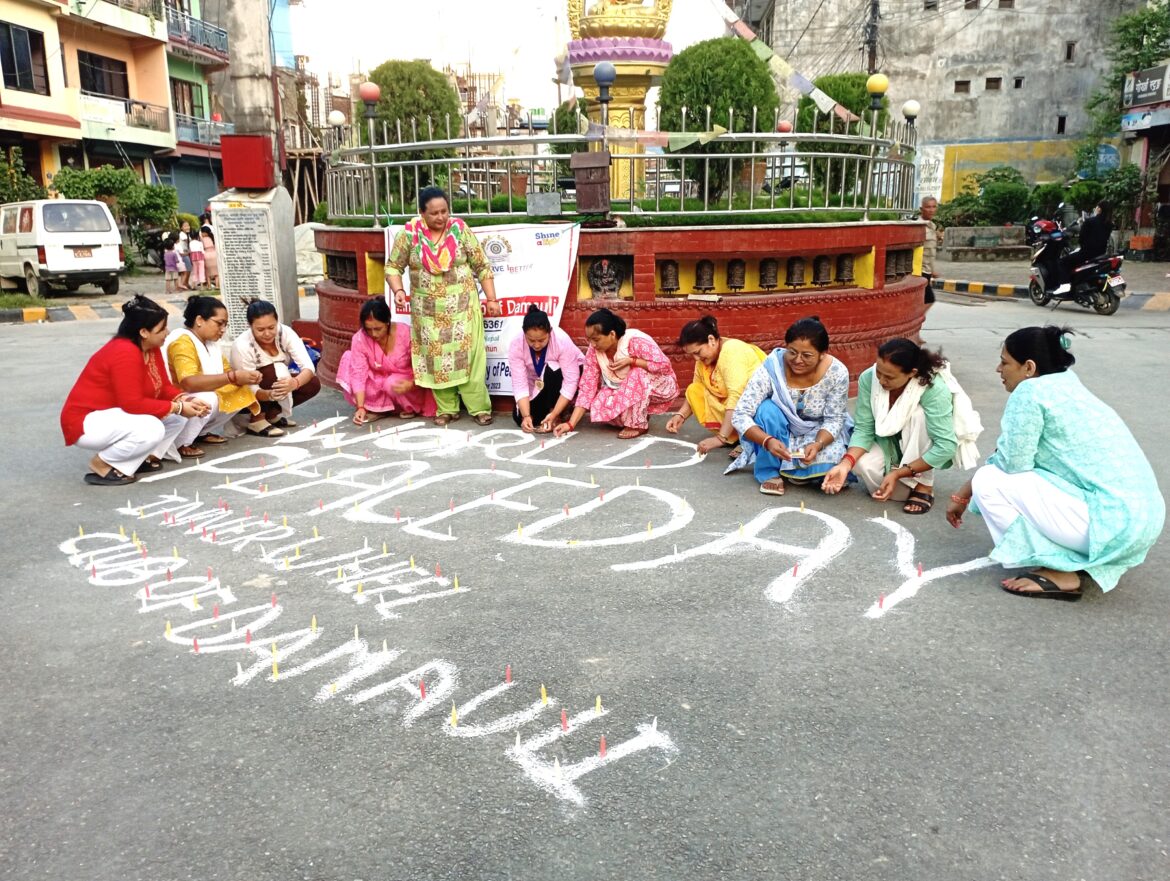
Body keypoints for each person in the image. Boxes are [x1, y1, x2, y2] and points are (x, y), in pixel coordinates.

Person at [947, 326, 1165, 601]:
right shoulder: (1066, 382)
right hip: (1140, 522)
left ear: (1028, 367)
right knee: (994, 475)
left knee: (989, 481)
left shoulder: (1029, 393)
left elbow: (1012, 464)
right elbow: (1012, 452)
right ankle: (1075, 559)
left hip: (1110, 524)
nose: (997, 369)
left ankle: (1059, 571)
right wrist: (965, 491)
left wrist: (967, 490)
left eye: (1004, 362)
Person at [60, 295, 209, 486]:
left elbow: (163, 386)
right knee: (152, 427)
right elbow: (132, 403)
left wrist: (185, 401)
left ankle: (140, 458)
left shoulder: (150, 347)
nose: (167, 332)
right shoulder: (124, 352)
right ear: (144, 332)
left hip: (113, 415)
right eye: (162, 329)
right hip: (86, 421)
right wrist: (178, 407)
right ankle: (103, 463)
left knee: (177, 417)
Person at [385, 186, 502, 426]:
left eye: (444, 211)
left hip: (463, 311)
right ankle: (447, 408)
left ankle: (479, 408)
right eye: (434, 213)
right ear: (421, 213)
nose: (440, 217)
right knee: (436, 362)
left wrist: (491, 299)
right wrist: (398, 290)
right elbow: (393, 267)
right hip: (427, 315)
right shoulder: (409, 235)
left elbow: (482, 266)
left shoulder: (459, 231)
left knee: (469, 360)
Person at [822, 338, 982, 513]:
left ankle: (923, 484)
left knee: (918, 416)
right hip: (886, 443)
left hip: (918, 442)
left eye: (889, 377)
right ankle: (902, 480)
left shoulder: (934, 388)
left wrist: (898, 473)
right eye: (879, 373)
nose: (881, 381)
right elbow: (864, 429)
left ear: (912, 373)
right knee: (861, 464)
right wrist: (845, 464)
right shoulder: (869, 378)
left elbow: (945, 446)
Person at [725, 317, 851, 494]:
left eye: (807, 355)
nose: (797, 360)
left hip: (818, 432)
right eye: (792, 352)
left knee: (835, 460)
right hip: (777, 433)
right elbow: (741, 414)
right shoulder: (772, 366)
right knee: (766, 410)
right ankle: (769, 471)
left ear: (822, 354)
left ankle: (802, 471)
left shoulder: (837, 372)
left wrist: (818, 444)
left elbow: (835, 419)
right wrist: (766, 440)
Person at [164, 296, 281, 457]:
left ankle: (201, 432)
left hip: (194, 395)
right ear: (199, 320)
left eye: (225, 324)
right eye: (219, 323)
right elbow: (189, 383)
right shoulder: (182, 342)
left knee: (239, 390)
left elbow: (226, 372)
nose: (223, 329)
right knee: (209, 399)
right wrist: (233, 377)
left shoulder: (210, 343)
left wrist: (244, 377)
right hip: (175, 398)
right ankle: (181, 442)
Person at [555, 308, 679, 440]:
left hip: (662, 385)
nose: (593, 344)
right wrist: (571, 424)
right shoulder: (594, 351)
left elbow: (664, 367)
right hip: (624, 388)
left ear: (612, 334)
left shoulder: (635, 341)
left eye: (596, 339)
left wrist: (633, 361)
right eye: (589, 340)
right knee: (601, 406)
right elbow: (587, 386)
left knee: (637, 373)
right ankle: (635, 415)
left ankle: (638, 424)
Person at [665, 315, 765, 455]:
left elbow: (737, 397)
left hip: (757, 406)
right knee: (694, 390)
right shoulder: (704, 360)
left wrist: (720, 439)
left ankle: (747, 439)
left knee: (742, 402)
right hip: (737, 408)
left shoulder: (732, 351)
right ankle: (736, 437)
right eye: (692, 355)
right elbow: (696, 387)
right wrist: (680, 415)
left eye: (698, 352)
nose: (696, 358)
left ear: (711, 340)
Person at [336, 297, 436, 425]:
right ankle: (377, 408)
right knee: (348, 359)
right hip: (377, 382)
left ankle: (408, 407)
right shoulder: (360, 338)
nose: (374, 334)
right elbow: (358, 373)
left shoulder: (406, 333)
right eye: (368, 329)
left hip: (407, 384)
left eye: (378, 329)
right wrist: (360, 407)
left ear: (387, 322)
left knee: (391, 383)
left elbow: (424, 364)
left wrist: (412, 384)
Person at [230, 299, 321, 428]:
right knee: (272, 370)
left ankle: (271, 415)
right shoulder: (242, 345)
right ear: (250, 326)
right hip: (246, 395)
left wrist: (294, 384)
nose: (267, 334)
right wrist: (268, 395)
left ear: (277, 322)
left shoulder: (286, 333)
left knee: (312, 383)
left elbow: (308, 367)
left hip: (274, 386)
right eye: (260, 329)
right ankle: (257, 418)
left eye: (271, 327)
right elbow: (248, 387)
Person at [507, 304, 584, 433]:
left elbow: (570, 381)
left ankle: (556, 414)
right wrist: (526, 416)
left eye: (542, 340)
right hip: (538, 384)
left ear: (550, 331)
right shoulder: (516, 344)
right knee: (518, 417)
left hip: (559, 378)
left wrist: (554, 414)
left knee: (552, 369)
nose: (536, 345)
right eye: (531, 340)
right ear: (524, 333)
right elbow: (520, 383)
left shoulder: (561, 340)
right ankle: (546, 415)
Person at [919, 195, 939, 312]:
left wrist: (932, 270)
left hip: (927, 269)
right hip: (919, 270)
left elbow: (930, 251)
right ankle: (915, 320)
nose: (931, 210)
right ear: (921, 209)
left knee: (927, 299)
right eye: (928, 207)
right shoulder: (919, 227)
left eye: (933, 207)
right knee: (929, 298)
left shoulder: (932, 226)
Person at [199, 216, 219, 288]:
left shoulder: (202, 239)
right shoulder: (213, 238)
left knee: (208, 272)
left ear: (205, 233)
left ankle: (209, 286)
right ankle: (217, 285)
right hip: (214, 254)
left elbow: (201, 247)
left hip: (206, 254)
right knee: (216, 272)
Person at [174, 219, 192, 291]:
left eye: (188, 225)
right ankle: (184, 284)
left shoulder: (186, 234)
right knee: (188, 268)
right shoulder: (182, 234)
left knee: (186, 269)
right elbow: (188, 241)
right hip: (184, 253)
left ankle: (185, 283)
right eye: (185, 226)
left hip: (185, 253)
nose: (187, 227)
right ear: (181, 228)